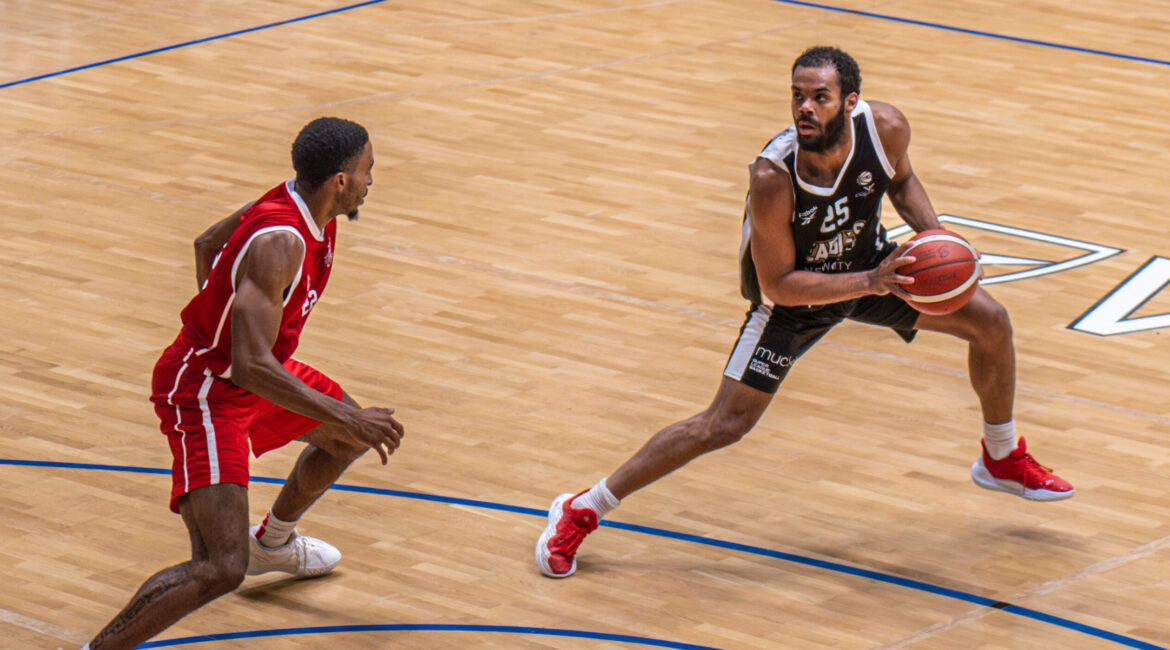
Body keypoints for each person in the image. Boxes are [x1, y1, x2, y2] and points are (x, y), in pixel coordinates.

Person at [535, 46, 1074, 579]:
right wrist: (871, 280)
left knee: (991, 322)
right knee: (724, 424)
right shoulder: (773, 175)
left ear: (850, 102)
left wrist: (934, 234)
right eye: (797, 96)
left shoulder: (885, 128)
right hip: (795, 303)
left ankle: (1000, 457)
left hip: (869, 267)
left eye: (819, 97)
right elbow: (780, 284)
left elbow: (902, 180)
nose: (805, 108)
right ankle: (583, 508)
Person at [83, 117, 405, 649]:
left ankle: (274, 544)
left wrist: (225, 316)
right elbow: (248, 365)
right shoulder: (280, 242)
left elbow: (206, 243)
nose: (372, 181)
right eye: (368, 171)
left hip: (251, 372)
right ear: (340, 181)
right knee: (217, 568)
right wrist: (345, 411)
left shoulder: (304, 199)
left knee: (346, 438)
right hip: (207, 390)